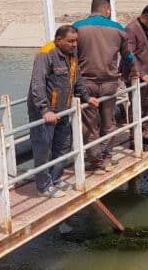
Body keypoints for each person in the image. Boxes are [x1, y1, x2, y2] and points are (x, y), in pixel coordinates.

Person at [27, 25, 98, 198]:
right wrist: (45, 110)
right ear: (59, 40)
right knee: (43, 148)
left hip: (64, 109)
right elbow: (38, 84)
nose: (74, 45)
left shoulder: (71, 54)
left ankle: (55, 178)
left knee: (63, 145)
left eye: (76, 41)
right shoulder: (46, 54)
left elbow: (76, 79)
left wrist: (87, 97)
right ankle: (43, 186)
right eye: (70, 41)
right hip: (46, 112)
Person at [73, 0, 134, 171]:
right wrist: (134, 70)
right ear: (107, 10)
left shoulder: (77, 27)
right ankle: (107, 154)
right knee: (108, 121)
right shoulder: (118, 29)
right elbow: (128, 56)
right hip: (109, 83)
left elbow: (71, 56)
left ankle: (95, 159)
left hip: (85, 83)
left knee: (89, 123)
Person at [120, 5, 148, 151]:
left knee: (146, 105)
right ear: (147, 17)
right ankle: (134, 139)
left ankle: (144, 134)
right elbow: (128, 53)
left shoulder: (146, 27)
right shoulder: (131, 29)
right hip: (136, 75)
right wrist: (141, 73)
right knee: (137, 105)